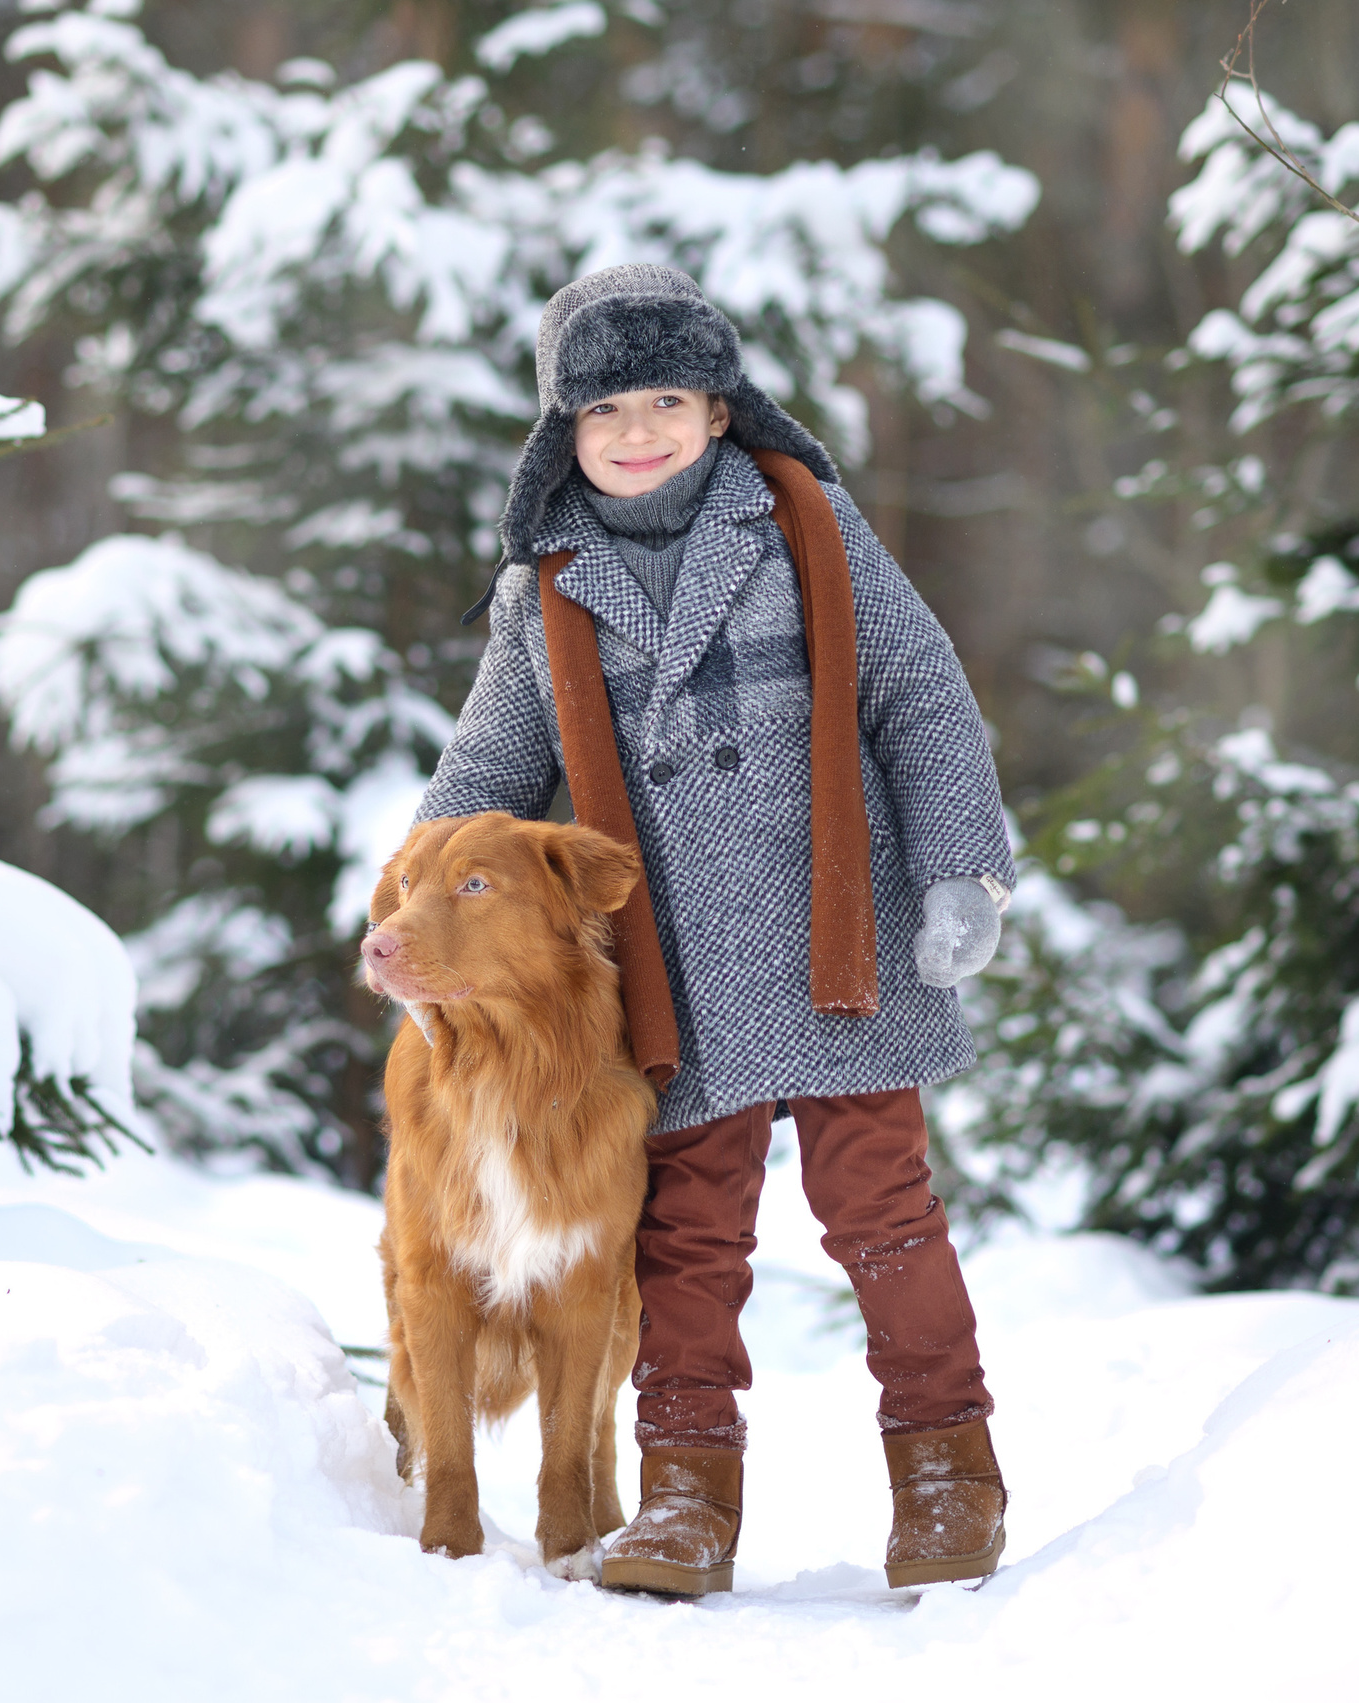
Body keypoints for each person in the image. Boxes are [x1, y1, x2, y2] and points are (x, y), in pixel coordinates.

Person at [416, 263, 1012, 1595]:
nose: (637, 431)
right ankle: (687, 1496)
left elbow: (920, 690)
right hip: (675, 966)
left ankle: (947, 1474)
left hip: (837, 936)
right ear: (560, 432)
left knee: (882, 1212)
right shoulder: (546, 586)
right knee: (687, 1235)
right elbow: (492, 766)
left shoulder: (808, 523)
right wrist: (419, 902)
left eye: (667, 399)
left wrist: (963, 869)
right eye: (604, 408)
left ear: (722, 408)